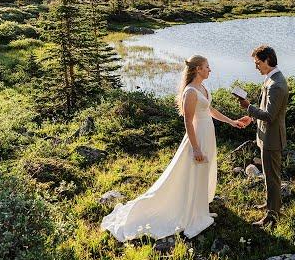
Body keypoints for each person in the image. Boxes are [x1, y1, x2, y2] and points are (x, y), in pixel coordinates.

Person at [101, 55, 244, 242]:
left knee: (202, 172)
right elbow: (188, 121)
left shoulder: (202, 88)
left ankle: (200, 210)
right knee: (193, 171)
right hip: (197, 137)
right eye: (207, 67)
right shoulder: (190, 92)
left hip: (208, 134)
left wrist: (232, 122)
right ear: (197, 69)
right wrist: (195, 148)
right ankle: (191, 214)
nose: (210, 70)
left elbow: (211, 111)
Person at [237, 45, 289, 227]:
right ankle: (270, 204)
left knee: (273, 178)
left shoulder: (277, 85)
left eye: (257, 63)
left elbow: (269, 115)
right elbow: (265, 111)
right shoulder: (270, 79)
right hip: (265, 136)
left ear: (267, 60)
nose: (256, 67)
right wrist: (251, 117)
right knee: (268, 175)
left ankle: (272, 216)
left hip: (272, 139)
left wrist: (248, 107)